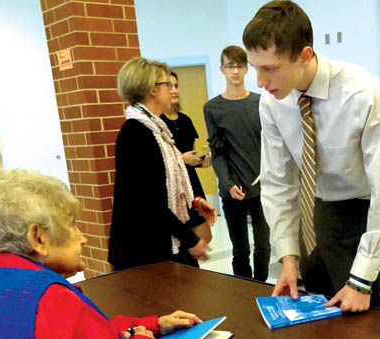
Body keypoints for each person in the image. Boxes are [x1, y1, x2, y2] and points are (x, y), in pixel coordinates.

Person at [242, 0, 380, 311]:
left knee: (358, 327)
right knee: (313, 323)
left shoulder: (364, 94)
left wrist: (361, 280)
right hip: (309, 216)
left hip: (358, 218)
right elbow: (278, 183)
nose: (260, 82)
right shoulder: (272, 102)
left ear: (305, 56)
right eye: (255, 68)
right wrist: (288, 257)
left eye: (270, 68)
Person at [0, 168, 203, 339]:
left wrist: (152, 325)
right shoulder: (50, 300)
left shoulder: (5, 281)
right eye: (73, 225)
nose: (83, 238)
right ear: (38, 239)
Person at [108, 57, 217, 271]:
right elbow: (148, 201)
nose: (172, 90)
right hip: (142, 250)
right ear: (151, 90)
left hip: (161, 241)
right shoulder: (135, 133)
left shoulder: (157, 129)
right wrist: (191, 240)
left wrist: (193, 203)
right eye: (167, 84)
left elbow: (165, 187)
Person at [203, 45, 271, 282]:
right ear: (222, 69)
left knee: (264, 245)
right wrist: (228, 183)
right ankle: (244, 290)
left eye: (240, 66)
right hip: (231, 189)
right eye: (230, 66)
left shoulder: (261, 103)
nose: (235, 71)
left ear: (247, 69)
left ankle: (262, 288)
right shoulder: (212, 108)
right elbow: (217, 152)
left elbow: (270, 145)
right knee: (240, 248)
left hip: (262, 187)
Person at [161, 72, 213, 244]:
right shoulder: (158, 123)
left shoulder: (185, 120)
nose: (174, 90)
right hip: (174, 187)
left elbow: (192, 153)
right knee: (185, 241)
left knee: (205, 237)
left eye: (176, 86)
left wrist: (200, 161)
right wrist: (181, 159)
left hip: (192, 184)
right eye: (169, 86)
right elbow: (160, 160)